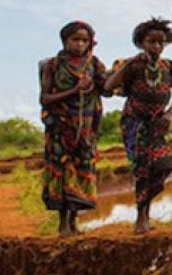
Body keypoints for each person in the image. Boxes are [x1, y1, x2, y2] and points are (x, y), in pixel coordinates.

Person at [104, 17, 172, 234]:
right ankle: (141, 219)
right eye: (151, 42)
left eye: (161, 42)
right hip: (134, 124)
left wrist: (170, 113)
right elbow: (109, 86)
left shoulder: (169, 67)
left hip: (157, 125)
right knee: (142, 171)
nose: (157, 47)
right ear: (141, 42)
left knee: (164, 166)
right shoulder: (134, 65)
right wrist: (128, 64)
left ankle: (145, 213)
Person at [40, 21, 110, 236]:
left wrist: (116, 75)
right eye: (75, 39)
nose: (80, 44)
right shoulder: (51, 65)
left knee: (82, 172)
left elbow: (105, 90)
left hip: (86, 130)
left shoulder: (94, 64)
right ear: (65, 41)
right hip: (60, 128)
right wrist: (73, 90)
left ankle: (74, 221)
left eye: (84, 40)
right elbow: (45, 98)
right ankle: (62, 224)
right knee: (62, 172)